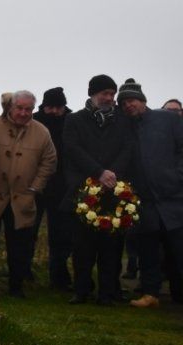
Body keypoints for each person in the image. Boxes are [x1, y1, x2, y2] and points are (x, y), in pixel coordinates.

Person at [63, 75, 133, 306]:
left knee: (111, 245)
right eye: (104, 93)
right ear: (92, 94)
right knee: (82, 245)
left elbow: (127, 149)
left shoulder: (122, 121)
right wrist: (98, 172)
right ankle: (82, 290)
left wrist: (112, 173)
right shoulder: (75, 120)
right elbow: (73, 149)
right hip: (84, 189)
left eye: (112, 94)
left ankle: (107, 292)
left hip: (114, 189)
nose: (109, 98)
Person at [0, 91, 57, 297]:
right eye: (19, 108)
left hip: (23, 198)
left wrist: (35, 188)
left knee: (19, 245)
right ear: (10, 107)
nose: (23, 113)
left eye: (28, 109)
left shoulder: (42, 132)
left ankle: (16, 286)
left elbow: (49, 162)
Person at [118, 81, 183, 308]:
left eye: (132, 100)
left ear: (143, 100)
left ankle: (178, 294)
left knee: (178, 249)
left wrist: (178, 176)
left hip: (174, 197)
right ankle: (151, 293)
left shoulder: (169, 120)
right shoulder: (124, 126)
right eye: (123, 103)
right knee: (147, 250)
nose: (128, 105)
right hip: (143, 200)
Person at [32, 87, 75, 290]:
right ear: (44, 106)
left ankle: (59, 277)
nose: (55, 112)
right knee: (28, 231)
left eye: (59, 107)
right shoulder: (33, 121)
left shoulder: (72, 121)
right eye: (51, 107)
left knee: (61, 234)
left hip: (62, 186)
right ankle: (24, 271)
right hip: (36, 183)